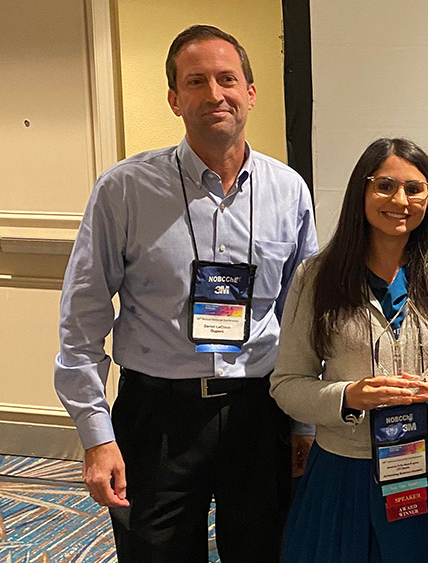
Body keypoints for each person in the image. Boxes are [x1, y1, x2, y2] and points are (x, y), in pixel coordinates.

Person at [53, 25, 318, 562]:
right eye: (196, 81)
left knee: (266, 551)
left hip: (259, 410)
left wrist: (304, 421)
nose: (214, 94)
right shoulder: (124, 190)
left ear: (251, 92)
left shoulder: (288, 189)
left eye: (228, 79)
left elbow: (303, 315)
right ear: (175, 99)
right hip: (158, 417)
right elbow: (80, 322)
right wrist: (96, 434)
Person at [269, 138, 428, 563]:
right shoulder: (317, 277)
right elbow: (286, 384)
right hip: (344, 472)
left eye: (415, 188)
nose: (400, 200)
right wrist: (349, 396)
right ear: (360, 193)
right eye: (384, 185)